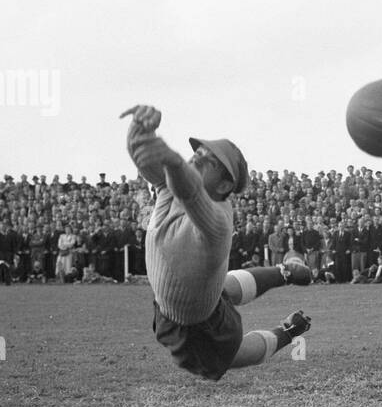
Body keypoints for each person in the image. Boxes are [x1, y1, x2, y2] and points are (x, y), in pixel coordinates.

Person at [122, 104, 312, 381]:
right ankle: (284, 272)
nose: (195, 160)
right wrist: (140, 128)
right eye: (197, 153)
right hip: (184, 301)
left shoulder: (217, 220)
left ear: (223, 186)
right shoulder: (168, 184)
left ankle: (288, 332)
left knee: (231, 355)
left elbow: (191, 193)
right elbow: (144, 160)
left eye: (208, 161)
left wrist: (174, 162)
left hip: (201, 325)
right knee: (220, 289)